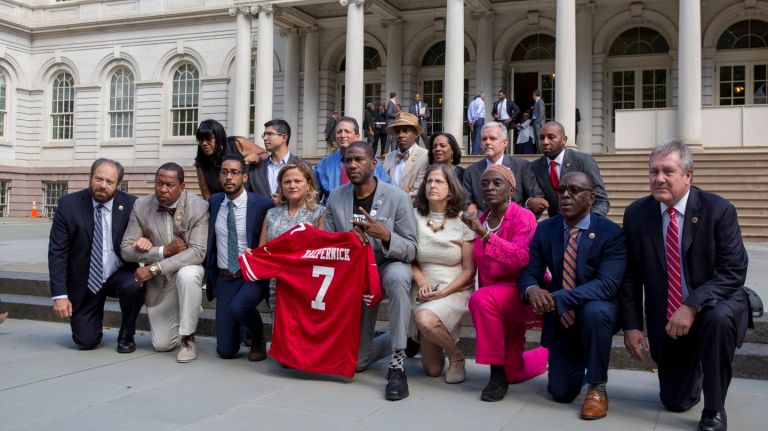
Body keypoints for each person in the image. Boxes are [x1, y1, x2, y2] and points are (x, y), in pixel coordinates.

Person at [621, 140, 749, 431]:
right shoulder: (637, 214)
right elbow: (630, 275)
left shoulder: (718, 210)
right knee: (675, 401)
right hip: (666, 320)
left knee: (717, 321)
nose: (659, 178)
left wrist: (691, 305)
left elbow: (734, 270)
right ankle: (697, 364)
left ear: (688, 176)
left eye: (668, 171)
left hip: (713, 304)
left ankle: (714, 410)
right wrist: (631, 326)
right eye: (654, 171)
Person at [520, 171, 626, 420]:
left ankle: (597, 387)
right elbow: (529, 272)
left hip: (597, 313)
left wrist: (558, 298)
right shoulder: (545, 230)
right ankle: (569, 358)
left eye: (575, 190)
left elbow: (607, 285)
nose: (565, 195)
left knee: (594, 310)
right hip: (563, 319)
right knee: (561, 392)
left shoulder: (612, 234)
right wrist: (532, 289)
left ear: (591, 198)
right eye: (561, 190)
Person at [324, 141, 418, 401]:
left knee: (400, 278)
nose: (352, 165)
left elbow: (411, 249)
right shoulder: (336, 196)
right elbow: (330, 245)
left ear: (373, 163)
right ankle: (404, 336)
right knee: (356, 363)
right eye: (348, 160)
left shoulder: (397, 197)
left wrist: (386, 235)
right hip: (356, 273)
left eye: (359, 159)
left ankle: (397, 364)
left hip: (388, 265)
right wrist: (348, 240)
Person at [463, 164, 548, 402]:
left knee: (481, 299)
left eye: (497, 183)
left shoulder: (524, 216)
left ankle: (496, 375)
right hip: (495, 304)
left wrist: (485, 235)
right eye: (485, 183)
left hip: (521, 293)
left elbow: (520, 257)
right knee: (516, 372)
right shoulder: (481, 219)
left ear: (511, 188)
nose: (489, 188)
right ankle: (542, 356)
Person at [48, 158, 143, 353]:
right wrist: (60, 295)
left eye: (109, 182)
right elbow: (57, 252)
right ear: (90, 177)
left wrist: (146, 240)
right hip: (85, 279)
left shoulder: (132, 204)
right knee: (86, 342)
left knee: (135, 284)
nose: (103, 185)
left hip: (118, 273)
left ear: (118, 185)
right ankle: (91, 325)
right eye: (99, 179)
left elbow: (148, 230)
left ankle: (127, 333)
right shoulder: (69, 205)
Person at [120, 162, 209, 363]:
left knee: (189, 275)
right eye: (158, 183)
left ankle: (188, 338)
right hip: (160, 283)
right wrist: (162, 251)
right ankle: (188, 306)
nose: (162, 189)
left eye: (169, 185)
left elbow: (198, 252)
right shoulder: (141, 206)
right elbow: (125, 250)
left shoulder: (199, 206)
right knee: (162, 345)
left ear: (182, 187)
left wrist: (154, 268)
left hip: (184, 269)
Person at [411, 164, 476, 384]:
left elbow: (469, 270)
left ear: (451, 188)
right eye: (429, 181)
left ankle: (456, 356)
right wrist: (421, 282)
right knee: (433, 370)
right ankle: (433, 338)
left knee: (425, 318)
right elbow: (408, 256)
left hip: (454, 287)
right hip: (423, 286)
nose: (432, 185)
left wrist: (443, 292)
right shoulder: (413, 217)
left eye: (438, 181)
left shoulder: (463, 221)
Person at [205, 154, 273, 361]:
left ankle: (258, 338)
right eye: (224, 172)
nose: (228, 177)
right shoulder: (214, 202)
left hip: (251, 276)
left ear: (244, 177)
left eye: (234, 172)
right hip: (224, 277)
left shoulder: (262, 205)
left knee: (240, 306)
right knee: (225, 352)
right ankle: (241, 331)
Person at [259, 162, 326, 309]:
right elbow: (262, 250)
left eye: (297, 181)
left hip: (305, 285)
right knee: (279, 328)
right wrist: (251, 256)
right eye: (287, 182)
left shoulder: (320, 213)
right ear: (281, 186)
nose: (292, 185)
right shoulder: (271, 214)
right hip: (276, 285)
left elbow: (321, 254)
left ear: (308, 184)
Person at [527, 121, 610, 218]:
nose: (545, 142)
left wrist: (588, 223)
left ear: (564, 140)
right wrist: (529, 204)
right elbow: (536, 201)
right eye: (541, 138)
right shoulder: (535, 167)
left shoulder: (583, 161)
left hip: (584, 224)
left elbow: (601, 201)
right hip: (557, 227)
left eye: (551, 137)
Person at [462, 121, 544, 214]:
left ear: (505, 143)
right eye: (484, 139)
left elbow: (537, 200)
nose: (487, 142)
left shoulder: (522, 167)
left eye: (492, 138)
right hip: (483, 225)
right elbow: (466, 203)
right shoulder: (471, 171)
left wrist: (523, 221)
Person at [314, 116, 390, 203]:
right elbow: (313, 196)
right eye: (339, 132)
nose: (342, 135)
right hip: (331, 214)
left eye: (347, 131)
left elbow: (386, 194)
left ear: (357, 136)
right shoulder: (323, 165)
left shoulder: (372, 164)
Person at [247, 119, 311, 200]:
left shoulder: (303, 166)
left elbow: (313, 198)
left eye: (270, 134)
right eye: (264, 135)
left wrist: (285, 202)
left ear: (284, 138)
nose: (265, 138)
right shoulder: (254, 168)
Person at [382, 112, 429, 199]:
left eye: (405, 131)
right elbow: (381, 187)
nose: (401, 135)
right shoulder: (389, 157)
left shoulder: (425, 156)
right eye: (397, 132)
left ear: (415, 133)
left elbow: (418, 191)